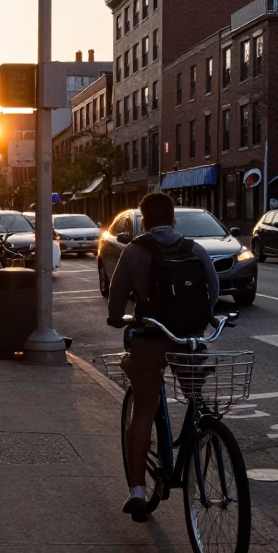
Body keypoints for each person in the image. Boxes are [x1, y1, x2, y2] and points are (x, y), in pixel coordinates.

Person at [107, 191, 218, 522]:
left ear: (143, 221)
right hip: (188, 340)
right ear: (173, 220)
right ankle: (197, 449)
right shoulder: (194, 249)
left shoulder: (133, 252)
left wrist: (119, 318)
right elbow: (212, 292)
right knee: (196, 399)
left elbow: (115, 306)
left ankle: (138, 490)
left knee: (144, 409)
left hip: (150, 339)